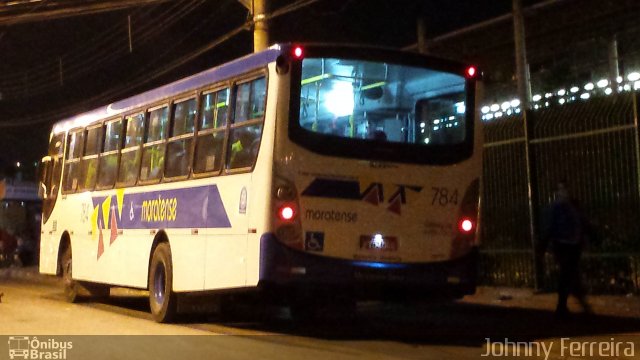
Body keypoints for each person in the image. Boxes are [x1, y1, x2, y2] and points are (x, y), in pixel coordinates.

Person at [541, 180, 593, 318]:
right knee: (569, 273)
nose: (564, 192)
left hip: (571, 244)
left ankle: (565, 305)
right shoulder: (560, 208)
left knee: (569, 273)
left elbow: (582, 223)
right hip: (563, 244)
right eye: (561, 189)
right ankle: (569, 305)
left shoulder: (568, 207)